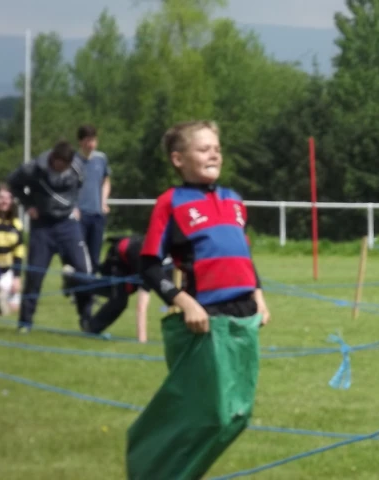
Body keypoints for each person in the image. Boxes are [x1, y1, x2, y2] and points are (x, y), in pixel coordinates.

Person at [126, 120, 270, 480]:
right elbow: (148, 266)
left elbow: (243, 254)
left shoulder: (235, 200)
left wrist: (259, 296)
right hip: (204, 319)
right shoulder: (171, 202)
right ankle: (147, 466)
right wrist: (184, 301)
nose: (214, 154)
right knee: (210, 414)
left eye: (217, 148)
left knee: (238, 415)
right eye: (204, 148)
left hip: (244, 315)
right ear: (179, 159)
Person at [6, 140, 94, 333]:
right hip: (42, 227)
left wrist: (74, 206)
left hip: (68, 225)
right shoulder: (34, 168)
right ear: (53, 158)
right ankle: (25, 323)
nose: (61, 168)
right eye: (58, 164)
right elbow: (12, 183)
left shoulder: (77, 168)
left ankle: (87, 321)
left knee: (82, 272)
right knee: (34, 275)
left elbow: (78, 187)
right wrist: (28, 204)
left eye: (65, 165)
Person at [61, 235, 153, 340]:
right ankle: (91, 328)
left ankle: (74, 281)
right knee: (119, 301)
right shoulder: (145, 260)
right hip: (117, 258)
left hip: (129, 262)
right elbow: (141, 305)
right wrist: (142, 338)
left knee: (112, 291)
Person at [75, 124, 111, 271]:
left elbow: (106, 181)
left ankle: (91, 291)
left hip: (97, 214)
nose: (91, 144)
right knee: (79, 256)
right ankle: (77, 291)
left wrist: (103, 202)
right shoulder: (73, 160)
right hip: (79, 215)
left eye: (93, 140)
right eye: (87, 140)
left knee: (95, 257)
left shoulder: (101, 159)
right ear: (80, 141)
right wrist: (73, 207)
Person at [0, 183, 25, 315]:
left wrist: (17, 278)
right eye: (1, 197)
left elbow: (19, 253)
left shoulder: (16, 224)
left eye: (8, 198)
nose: (5, 201)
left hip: (8, 271)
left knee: (12, 308)